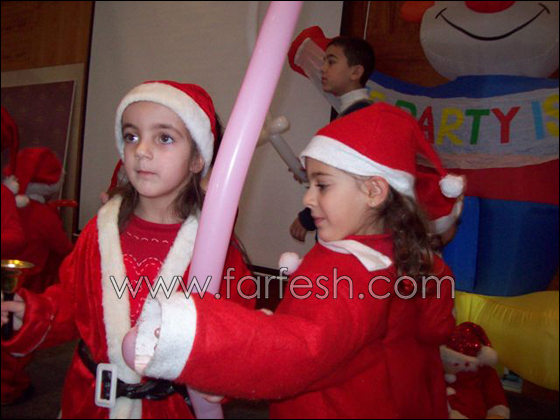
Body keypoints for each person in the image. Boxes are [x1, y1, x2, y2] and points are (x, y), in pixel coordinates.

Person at [121, 103, 461, 418]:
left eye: (322, 185)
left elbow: (302, 350)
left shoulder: (354, 268)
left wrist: (198, 342)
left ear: (373, 192)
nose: (308, 198)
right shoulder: (385, 252)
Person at [1, 81, 255, 418]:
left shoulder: (215, 249)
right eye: (132, 136)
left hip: (167, 409)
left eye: (164, 138)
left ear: (197, 158)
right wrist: (31, 314)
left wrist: (221, 373)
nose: (142, 150)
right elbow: (72, 302)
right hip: (89, 402)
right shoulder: (100, 231)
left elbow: (234, 330)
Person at [290, 35, 376, 242]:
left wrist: (308, 217)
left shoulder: (359, 116)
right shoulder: (351, 113)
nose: (322, 68)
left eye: (331, 62)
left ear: (356, 72)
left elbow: (347, 178)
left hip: (349, 228)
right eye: (323, 62)